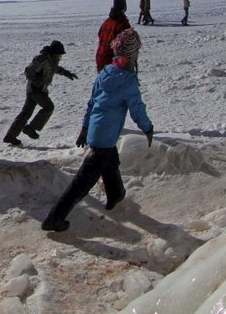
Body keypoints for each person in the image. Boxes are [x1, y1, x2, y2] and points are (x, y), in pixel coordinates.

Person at [41, 28, 153, 232]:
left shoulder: (105, 73)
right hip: (105, 137)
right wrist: (148, 128)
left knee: (110, 162)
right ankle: (54, 218)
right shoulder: (128, 81)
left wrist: (85, 128)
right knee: (82, 182)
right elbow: (137, 109)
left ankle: (116, 194)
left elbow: (92, 103)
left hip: (97, 130)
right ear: (132, 54)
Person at [3, 40, 77, 146]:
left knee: (26, 113)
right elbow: (28, 71)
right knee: (49, 107)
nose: (60, 57)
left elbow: (55, 69)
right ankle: (30, 128)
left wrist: (67, 73)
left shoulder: (51, 61)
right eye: (59, 55)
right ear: (54, 53)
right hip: (36, 90)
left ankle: (10, 136)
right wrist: (36, 79)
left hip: (35, 90)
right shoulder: (42, 59)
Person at [95, 0, 130, 72]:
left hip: (100, 58)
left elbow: (100, 35)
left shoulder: (107, 22)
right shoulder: (123, 23)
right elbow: (127, 45)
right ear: (124, 7)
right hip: (112, 62)